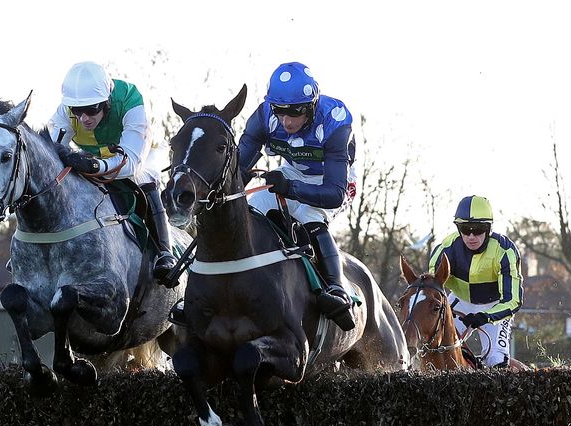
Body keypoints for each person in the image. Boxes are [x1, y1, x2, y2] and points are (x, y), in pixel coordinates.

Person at [170, 61, 359, 330]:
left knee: (309, 216)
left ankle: (337, 289)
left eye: (295, 112)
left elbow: (334, 194)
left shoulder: (335, 121)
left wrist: (290, 189)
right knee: (248, 211)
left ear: (312, 106)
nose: (286, 121)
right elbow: (239, 170)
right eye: (281, 112)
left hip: (332, 181)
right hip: (290, 172)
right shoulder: (264, 116)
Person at [48, 61, 175, 282]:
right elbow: (50, 154)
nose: (84, 118)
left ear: (106, 101)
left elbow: (132, 162)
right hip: (96, 155)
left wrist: (96, 166)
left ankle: (165, 252)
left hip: (143, 153)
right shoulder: (65, 111)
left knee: (144, 179)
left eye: (91, 109)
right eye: (77, 111)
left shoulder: (130, 101)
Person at [428, 195, 523, 368]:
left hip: (495, 307)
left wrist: (485, 316)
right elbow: (430, 290)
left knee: (496, 361)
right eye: (465, 229)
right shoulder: (445, 250)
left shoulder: (505, 251)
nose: (471, 236)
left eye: (478, 229)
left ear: (489, 228)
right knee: (430, 344)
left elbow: (512, 300)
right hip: (459, 302)